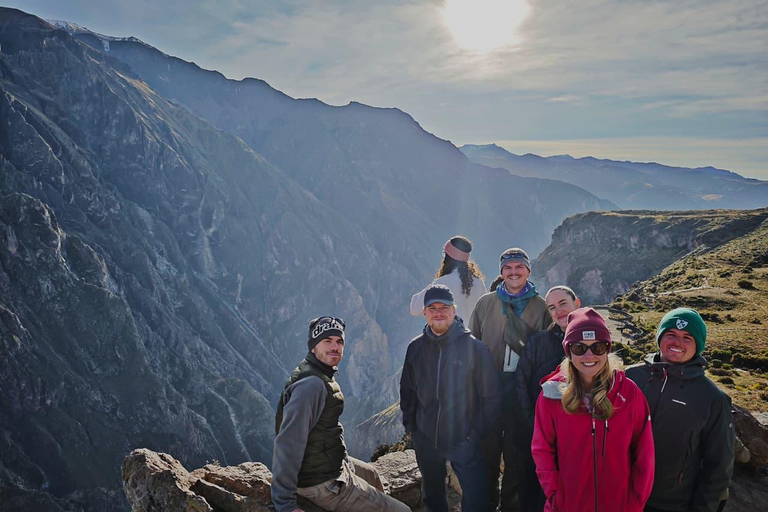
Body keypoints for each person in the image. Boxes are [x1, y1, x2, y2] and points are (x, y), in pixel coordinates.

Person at [272, 317, 409, 512]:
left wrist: (343, 460)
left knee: (373, 475)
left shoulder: (320, 374)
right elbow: (288, 442)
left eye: (339, 341)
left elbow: (326, 428)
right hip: (321, 483)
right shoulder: (311, 385)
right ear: (313, 347)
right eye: (327, 341)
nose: (334, 346)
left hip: (329, 465)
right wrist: (285, 504)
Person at [532, 307, 655, 512]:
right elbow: (542, 450)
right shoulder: (552, 395)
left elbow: (644, 455)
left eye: (597, 347)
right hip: (567, 506)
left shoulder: (629, 394)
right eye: (579, 348)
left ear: (607, 349)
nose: (589, 355)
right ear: (568, 351)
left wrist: (634, 503)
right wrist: (555, 495)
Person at [400, 284, 500, 512]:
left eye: (444, 307)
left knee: (476, 500)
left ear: (454, 310)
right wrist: (412, 428)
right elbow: (408, 391)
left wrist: (474, 435)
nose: (438, 312)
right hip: (426, 438)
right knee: (433, 497)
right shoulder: (415, 348)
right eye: (432, 308)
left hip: (464, 439)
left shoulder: (475, 349)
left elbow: (491, 398)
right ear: (424, 313)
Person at [626, 308, 735, 512]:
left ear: (698, 346)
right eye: (671, 334)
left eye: (687, 338)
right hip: (623, 495)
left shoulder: (712, 398)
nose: (677, 342)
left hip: (671, 505)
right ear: (660, 337)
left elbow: (719, 467)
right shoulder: (632, 377)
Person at [468, 247, 551, 512]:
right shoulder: (486, 303)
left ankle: (512, 506)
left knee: (518, 454)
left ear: (528, 270)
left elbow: (546, 349)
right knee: (487, 451)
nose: (513, 273)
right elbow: (473, 344)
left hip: (522, 389)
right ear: (501, 272)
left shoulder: (540, 307)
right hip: (489, 388)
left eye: (519, 268)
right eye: (508, 268)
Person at [514, 286, 581, 512]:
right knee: (533, 493)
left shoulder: (592, 344)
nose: (559, 311)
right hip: (539, 436)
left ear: (576, 303)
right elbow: (521, 383)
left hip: (577, 441)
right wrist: (533, 425)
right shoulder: (538, 342)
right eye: (552, 307)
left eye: (563, 303)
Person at [410, 235, 487, 323]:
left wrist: (433, 286)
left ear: (447, 258)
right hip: (474, 335)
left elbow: (415, 308)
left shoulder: (442, 282)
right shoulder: (478, 282)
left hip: (451, 335)